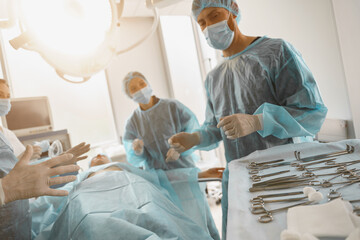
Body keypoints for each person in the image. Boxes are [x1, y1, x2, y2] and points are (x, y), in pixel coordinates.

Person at [168, 0, 328, 238]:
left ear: (234, 10)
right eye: (201, 22)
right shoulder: (214, 78)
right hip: (242, 180)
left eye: (214, 16)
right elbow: (215, 128)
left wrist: (258, 121)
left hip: (285, 174)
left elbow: (310, 111)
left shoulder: (276, 52)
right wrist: (194, 137)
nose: (207, 27)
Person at [31, 160, 224, 239]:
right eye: (95, 157)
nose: (99, 157)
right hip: (90, 197)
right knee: (93, 222)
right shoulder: (78, 180)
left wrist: (200, 174)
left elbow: (162, 177)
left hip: (136, 189)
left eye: (102, 155)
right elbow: (52, 202)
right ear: (88, 164)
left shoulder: (123, 167)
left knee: (157, 218)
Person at [123, 71, 202, 170]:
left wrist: (180, 149)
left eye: (142, 84)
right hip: (158, 176)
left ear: (148, 84)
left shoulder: (172, 106)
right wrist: (138, 151)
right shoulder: (132, 123)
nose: (140, 89)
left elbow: (193, 130)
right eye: (133, 89)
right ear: (129, 95)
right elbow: (133, 157)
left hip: (185, 170)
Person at [0, 79, 42, 159]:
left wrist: (31, 153)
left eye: (8, 96)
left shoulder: (8, 133)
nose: (5, 100)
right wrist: (20, 160)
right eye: (0, 94)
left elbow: (26, 158)